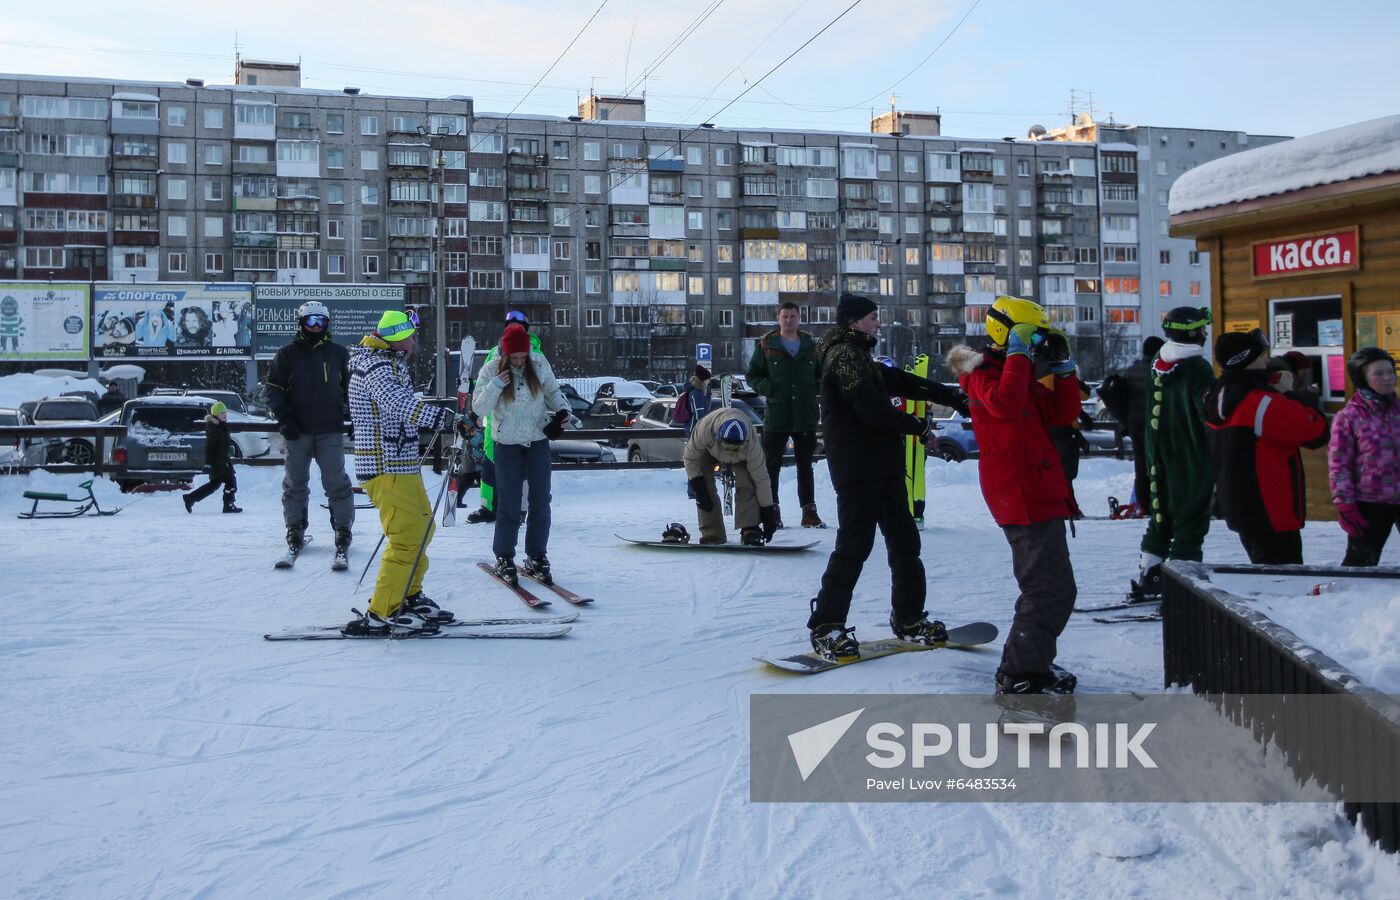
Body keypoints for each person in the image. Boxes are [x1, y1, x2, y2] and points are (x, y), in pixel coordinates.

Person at [805, 293, 968, 661]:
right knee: (855, 545)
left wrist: (954, 397)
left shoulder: (860, 355)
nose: (878, 323)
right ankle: (826, 625)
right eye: (872, 317)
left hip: (884, 465)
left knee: (905, 542)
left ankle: (909, 618)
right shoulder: (843, 357)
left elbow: (901, 381)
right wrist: (917, 426)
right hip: (857, 467)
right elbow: (870, 410)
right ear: (854, 321)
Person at [948, 296, 1082, 694]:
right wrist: (1021, 354)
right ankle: (1020, 671)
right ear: (1006, 332)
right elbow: (1004, 405)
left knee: (1055, 586)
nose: (1034, 344)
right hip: (1019, 493)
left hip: (1038, 488)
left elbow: (1060, 413)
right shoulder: (981, 372)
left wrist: (1064, 368)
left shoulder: (1015, 370)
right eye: (1028, 335)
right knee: (1046, 588)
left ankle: (1032, 661)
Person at [345, 310, 457, 635]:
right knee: (406, 536)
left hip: (401, 463)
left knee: (422, 528)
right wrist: (445, 420)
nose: (413, 342)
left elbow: (402, 406)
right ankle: (383, 611)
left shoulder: (389, 364)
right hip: (384, 464)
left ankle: (408, 594)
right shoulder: (376, 367)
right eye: (409, 336)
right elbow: (399, 405)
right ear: (396, 340)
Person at [1203, 330, 1329, 565]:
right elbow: (1316, 431)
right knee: (1282, 583)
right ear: (1247, 359)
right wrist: (1292, 395)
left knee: (1264, 572)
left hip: (1241, 505)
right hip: (1271, 509)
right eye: (1261, 355)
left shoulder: (1217, 393)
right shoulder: (1259, 402)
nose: (1266, 359)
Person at [471, 322, 570, 586]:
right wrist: (494, 385)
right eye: (514, 357)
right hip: (506, 444)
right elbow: (478, 408)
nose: (518, 362)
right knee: (510, 503)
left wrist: (562, 413)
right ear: (505, 354)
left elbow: (553, 392)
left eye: (522, 357)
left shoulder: (537, 364)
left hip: (537, 441)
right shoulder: (492, 368)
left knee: (541, 501)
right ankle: (504, 555)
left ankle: (537, 555)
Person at [1131, 306, 1216, 601]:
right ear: (1191, 332)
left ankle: (1149, 574)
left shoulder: (1159, 359)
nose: (1205, 334)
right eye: (1202, 329)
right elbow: (1207, 414)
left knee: (1161, 516)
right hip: (1188, 454)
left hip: (1158, 451)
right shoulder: (1197, 367)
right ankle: (1183, 589)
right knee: (1190, 520)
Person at [265, 300, 356, 561]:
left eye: (321, 321)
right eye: (310, 321)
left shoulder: (338, 353)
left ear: (327, 324)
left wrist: (358, 420)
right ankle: (295, 529)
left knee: (336, 482)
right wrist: (285, 420)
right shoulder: (287, 354)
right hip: (298, 431)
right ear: (301, 323)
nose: (315, 326)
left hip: (329, 429)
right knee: (295, 483)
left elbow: (353, 391)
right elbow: (273, 389)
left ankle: (342, 529)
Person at [747, 301, 824, 529]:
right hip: (777, 415)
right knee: (771, 466)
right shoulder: (767, 345)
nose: (789, 320)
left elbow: (822, 376)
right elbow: (752, 375)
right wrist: (768, 388)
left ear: (799, 318)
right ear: (778, 319)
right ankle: (772, 512)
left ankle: (809, 512)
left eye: (793, 316)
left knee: (805, 466)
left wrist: (813, 389)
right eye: (785, 317)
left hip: (804, 415)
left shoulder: (811, 346)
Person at [465, 310, 539, 522]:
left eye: (518, 325)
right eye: (509, 325)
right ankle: (489, 507)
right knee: (490, 465)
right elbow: (484, 382)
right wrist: (478, 409)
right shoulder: (494, 352)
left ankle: (520, 509)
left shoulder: (534, 352)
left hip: (522, 422)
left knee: (521, 469)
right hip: (495, 421)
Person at [1330, 347, 1400, 567]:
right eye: (1378, 373)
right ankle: (1345, 601)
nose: (1388, 378)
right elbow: (1339, 466)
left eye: (1391, 371)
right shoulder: (1348, 417)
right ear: (1362, 377)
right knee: (1360, 562)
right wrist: (1345, 503)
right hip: (1371, 501)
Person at [682, 407, 778, 546]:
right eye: (728, 445)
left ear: (744, 441)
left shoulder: (751, 446)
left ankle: (750, 528)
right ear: (719, 436)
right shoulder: (704, 430)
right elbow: (690, 458)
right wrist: (697, 485)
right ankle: (712, 533)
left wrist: (768, 512)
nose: (730, 451)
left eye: (735, 447)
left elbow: (761, 479)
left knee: (747, 479)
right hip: (710, 449)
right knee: (704, 483)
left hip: (742, 457)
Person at [1097, 336, 1164, 514]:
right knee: (1162, 465)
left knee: (1141, 466)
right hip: (1158, 426)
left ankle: (1144, 505)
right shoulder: (1162, 371)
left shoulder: (1132, 370)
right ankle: (1162, 503)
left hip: (1136, 425)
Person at [182, 401, 242, 514]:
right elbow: (210, 448)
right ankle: (228, 505)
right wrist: (208, 464)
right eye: (221, 413)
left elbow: (223, 444)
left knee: (215, 485)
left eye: (225, 413)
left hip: (223, 461)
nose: (224, 415)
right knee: (228, 482)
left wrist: (228, 450)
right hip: (218, 463)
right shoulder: (215, 429)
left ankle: (191, 498)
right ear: (215, 414)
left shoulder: (221, 426)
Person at [671, 363, 713, 437]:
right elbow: (699, 414)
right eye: (708, 379)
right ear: (703, 380)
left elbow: (703, 411)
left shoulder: (699, 392)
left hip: (696, 429)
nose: (709, 381)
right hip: (694, 430)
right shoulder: (697, 393)